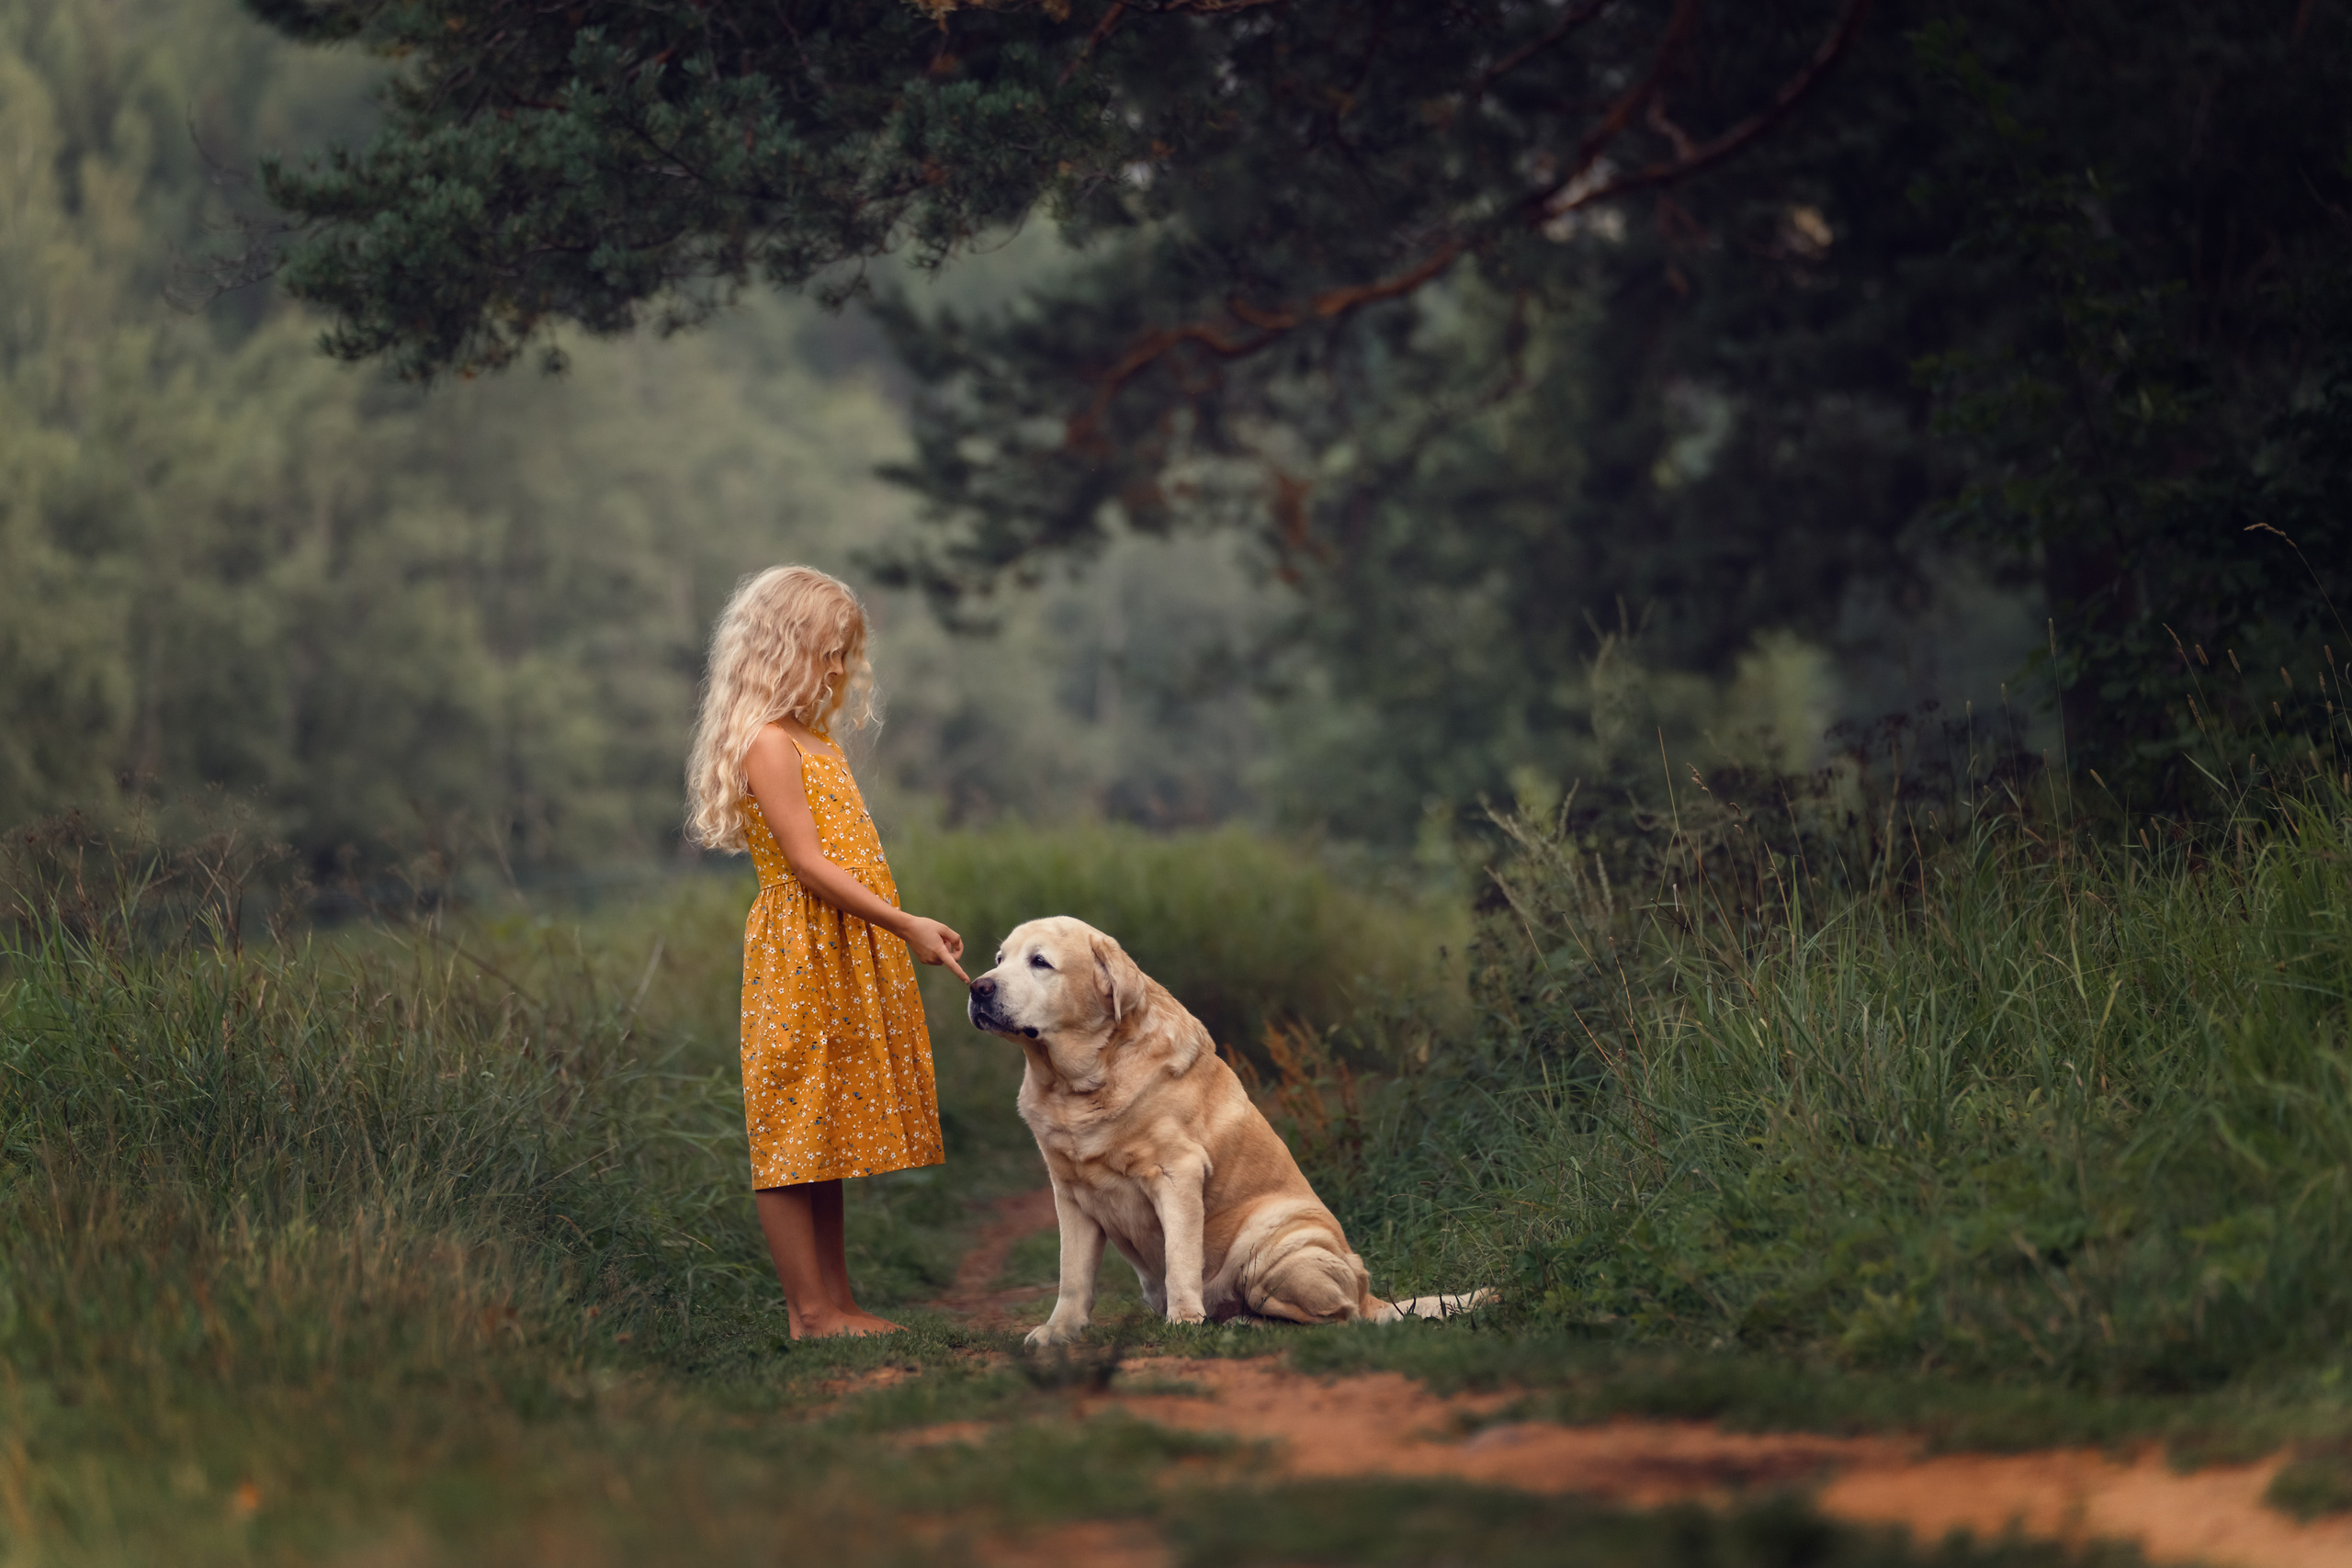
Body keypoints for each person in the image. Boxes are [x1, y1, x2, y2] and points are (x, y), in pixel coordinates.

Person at [684, 566, 967, 1338]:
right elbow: (809, 865)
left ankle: (838, 1304)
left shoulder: (816, 743)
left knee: (828, 1128)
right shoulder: (769, 745)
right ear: (783, 648)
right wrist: (903, 922)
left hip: (840, 948)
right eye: (829, 650)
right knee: (791, 1130)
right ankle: (808, 1312)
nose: (841, 668)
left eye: (847, 652)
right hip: (800, 952)